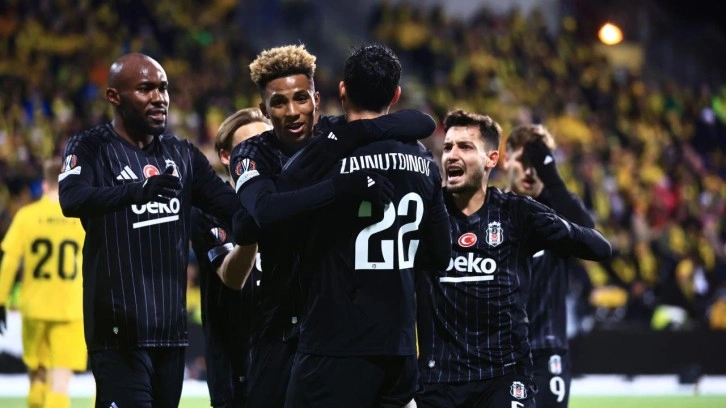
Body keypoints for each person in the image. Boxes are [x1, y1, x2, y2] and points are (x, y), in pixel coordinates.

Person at [226, 44, 437, 408]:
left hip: (336, 326)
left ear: (317, 99)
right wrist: (339, 188)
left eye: (301, 98)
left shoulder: (337, 135)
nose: (293, 111)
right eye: (279, 103)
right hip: (279, 324)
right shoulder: (251, 154)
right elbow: (264, 211)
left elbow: (422, 122)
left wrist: (354, 134)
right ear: (264, 110)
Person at [58, 53, 240, 408]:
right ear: (114, 97)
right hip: (117, 333)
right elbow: (72, 199)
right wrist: (136, 191)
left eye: (163, 88)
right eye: (146, 89)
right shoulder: (90, 147)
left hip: (171, 333)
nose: (159, 98)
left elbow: (231, 207)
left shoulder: (183, 155)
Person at [281, 43, 451, 407]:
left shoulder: (327, 155)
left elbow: (284, 200)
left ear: (342, 90)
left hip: (335, 345)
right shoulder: (424, 161)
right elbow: (440, 254)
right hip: (399, 349)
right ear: (396, 95)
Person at [415, 110, 612, 408]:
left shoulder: (519, 214)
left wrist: (559, 227)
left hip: (503, 379)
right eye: (448, 147)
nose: (452, 155)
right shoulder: (424, 213)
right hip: (439, 380)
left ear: (491, 159)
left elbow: (599, 247)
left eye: (465, 147)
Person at [503, 124, 595, 408]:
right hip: (498, 352)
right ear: (505, 160)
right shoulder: (491, 211)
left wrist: (551, 174)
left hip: (547, 350)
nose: (531, 171)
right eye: (523, 161)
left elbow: (588, 234)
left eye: (539, 164)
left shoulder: (559, 214)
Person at [189, 108, 268, 408]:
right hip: (235, 367)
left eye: (266, 145)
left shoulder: (288, 200)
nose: (260, 155)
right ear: (226, 156)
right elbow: (233, 278)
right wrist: (254, 224)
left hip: (285, 359)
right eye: (249, 147)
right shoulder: (207, 211)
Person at [0, 158, 86, 408]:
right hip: (70, 309)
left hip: (34, 308)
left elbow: (9, 262)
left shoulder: (27, 216)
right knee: (60, 384)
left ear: (44, 185)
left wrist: (1, 299)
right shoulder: (81, 218)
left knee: (37, 377)